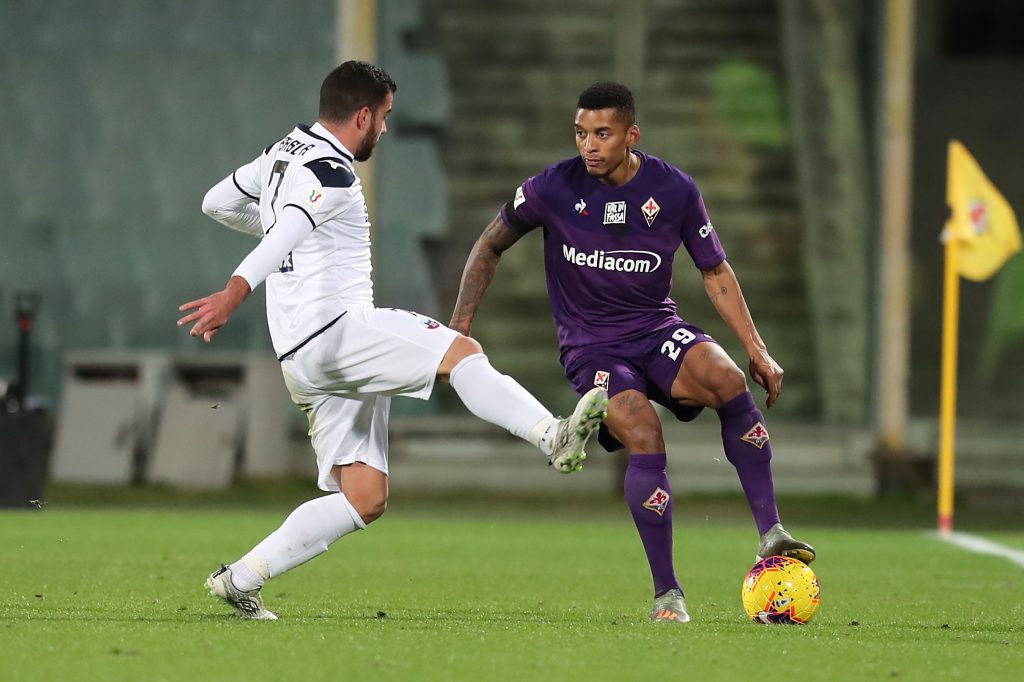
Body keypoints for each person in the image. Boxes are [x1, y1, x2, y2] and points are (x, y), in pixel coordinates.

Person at [178, 61, 608, 620]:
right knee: (462, 352)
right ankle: (552, 436)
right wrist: (234, 291)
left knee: (364, 497)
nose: (383, 130)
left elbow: (217, 202)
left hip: (300, 356)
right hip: (337, 331)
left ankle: (240, 579)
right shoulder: (333, 173)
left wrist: (288, 233)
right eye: (383, 118)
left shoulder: (282, 153)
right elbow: (286, 230)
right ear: (362, 115)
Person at [449, 82, 814, 624]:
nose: (589, 145)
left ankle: (771, 532)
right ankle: (668, 594)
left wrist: (757, 349)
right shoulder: (552, 187)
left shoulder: (675, 190)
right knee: (644, 429)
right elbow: (489, 243)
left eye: (602, 133)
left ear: (631, 135)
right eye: (581, 133)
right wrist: (458, 328)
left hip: (655, 329)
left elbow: (713, 271)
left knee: (728, 380)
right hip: (592, 347)